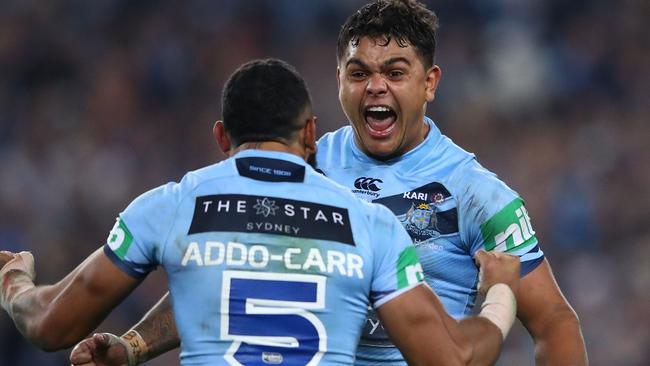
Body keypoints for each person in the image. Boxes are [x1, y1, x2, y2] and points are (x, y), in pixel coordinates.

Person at [70, 0, 588, 365]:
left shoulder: (477, 193)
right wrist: (136, 346)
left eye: (396, 71)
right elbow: (230, 272)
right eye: (359, 72)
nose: (376, 85)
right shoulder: (306, 164)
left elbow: (555, 326)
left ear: (430, 84)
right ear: (338, 80)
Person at [0, 58, 522, 366]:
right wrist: (499, 292)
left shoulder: (171, 206)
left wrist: (14, 281)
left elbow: (50, 326)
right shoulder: (370, 226)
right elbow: (453, 359)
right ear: (312, 134)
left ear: (221, 137)